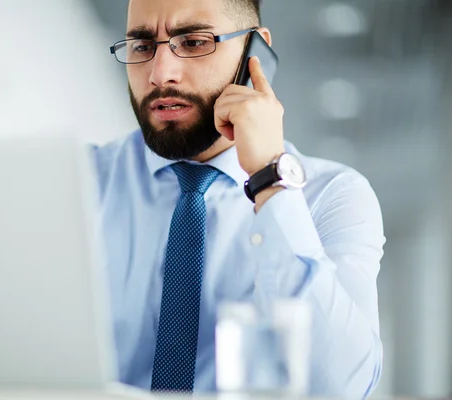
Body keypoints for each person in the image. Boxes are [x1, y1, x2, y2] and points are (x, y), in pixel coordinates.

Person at [93, 0, 385, 397]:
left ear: (255, 54)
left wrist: (270, 176)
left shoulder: (333, 195)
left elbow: (339, 387)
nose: (161, 74)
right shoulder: (82, 184)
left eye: (194, 42)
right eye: (142, 47)